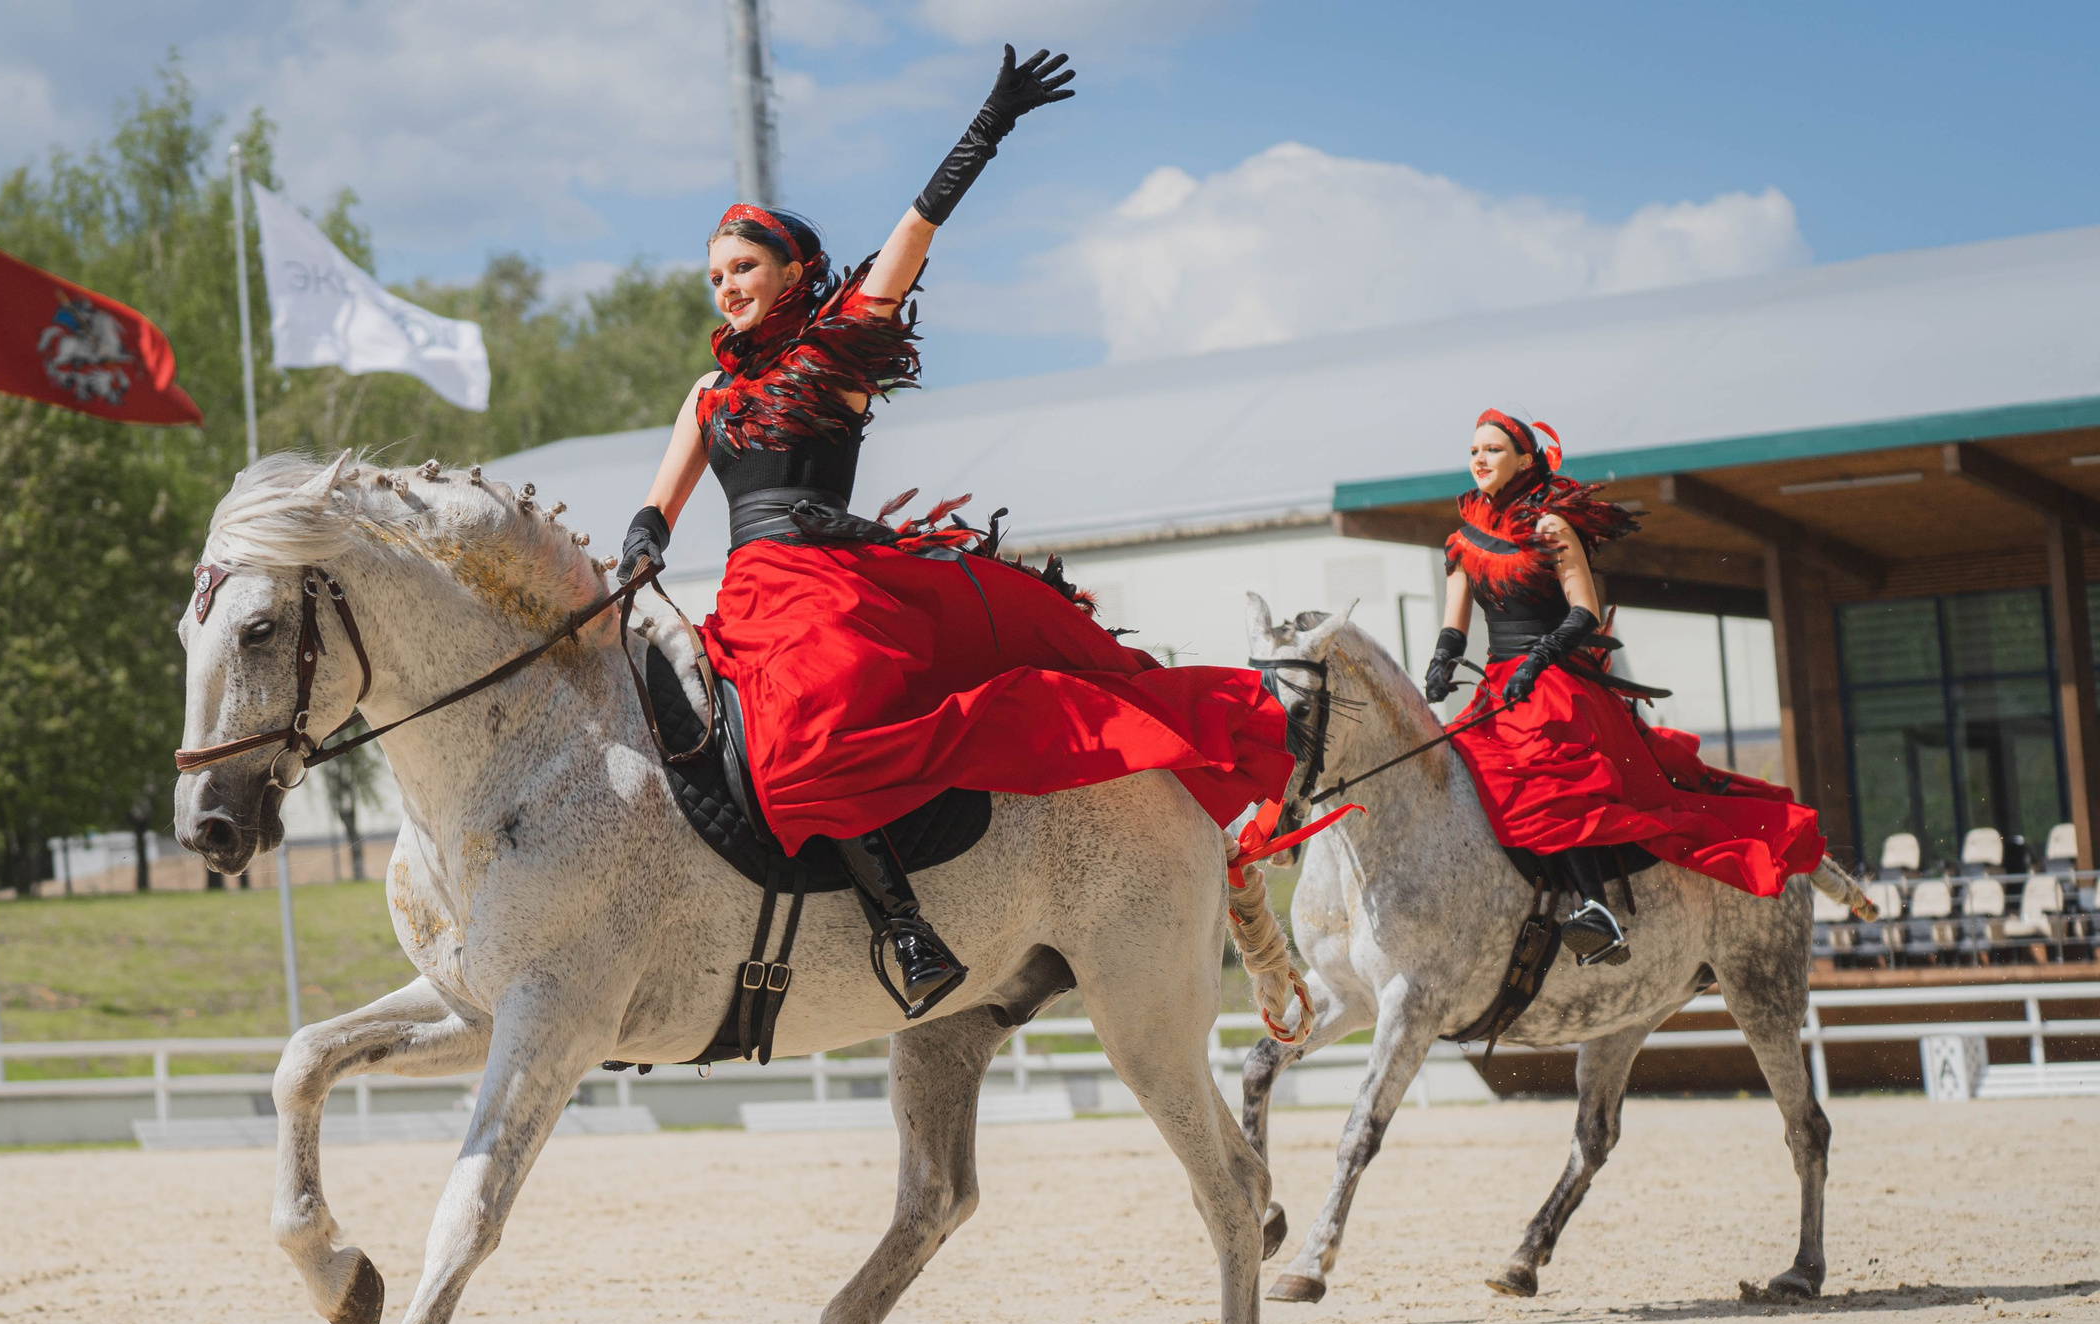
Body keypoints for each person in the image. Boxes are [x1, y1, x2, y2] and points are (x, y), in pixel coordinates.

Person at [618, 47, 1295, 1018]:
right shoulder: (707, 392)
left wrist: (988, 127)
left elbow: (914, 232)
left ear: (793, 271)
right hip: (744, 599)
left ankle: (904, 926)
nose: (726, 286)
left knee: (800, 741)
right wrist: (639, 552)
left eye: (744, 267)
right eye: (716, 274)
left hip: (824, 596)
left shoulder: (837, 354)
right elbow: (659, 506)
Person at [1422, 410, 1826, 965]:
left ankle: (1596, 911)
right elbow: (1455, 620)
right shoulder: (1461, 539)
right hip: (1500, 684)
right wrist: (1441, 660)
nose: (1480, 459)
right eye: (1474, 451)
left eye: (1492, 449)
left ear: (1524, 459)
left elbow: (1584, 611)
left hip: (1556, 680)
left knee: (1548, 782)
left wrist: (1537, 660)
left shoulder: (1551, 527)